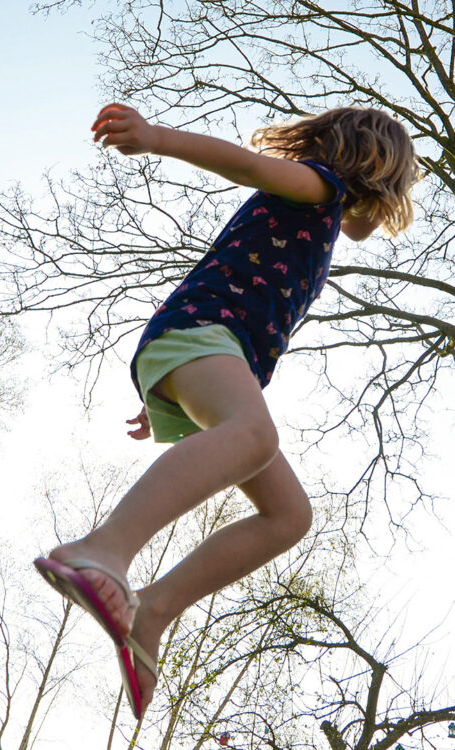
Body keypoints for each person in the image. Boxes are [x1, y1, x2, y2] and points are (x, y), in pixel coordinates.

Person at [34, 103, 418, 719]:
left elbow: (361, 229)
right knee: (253, 435)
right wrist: (156, 138)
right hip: (204, 334)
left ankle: (151, 612)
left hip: (204, 350)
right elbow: (243, 163)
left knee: (289, 515)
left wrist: (171, 391)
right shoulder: (319, 185)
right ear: (375, 171)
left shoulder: (321, 212)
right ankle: (102, 549)